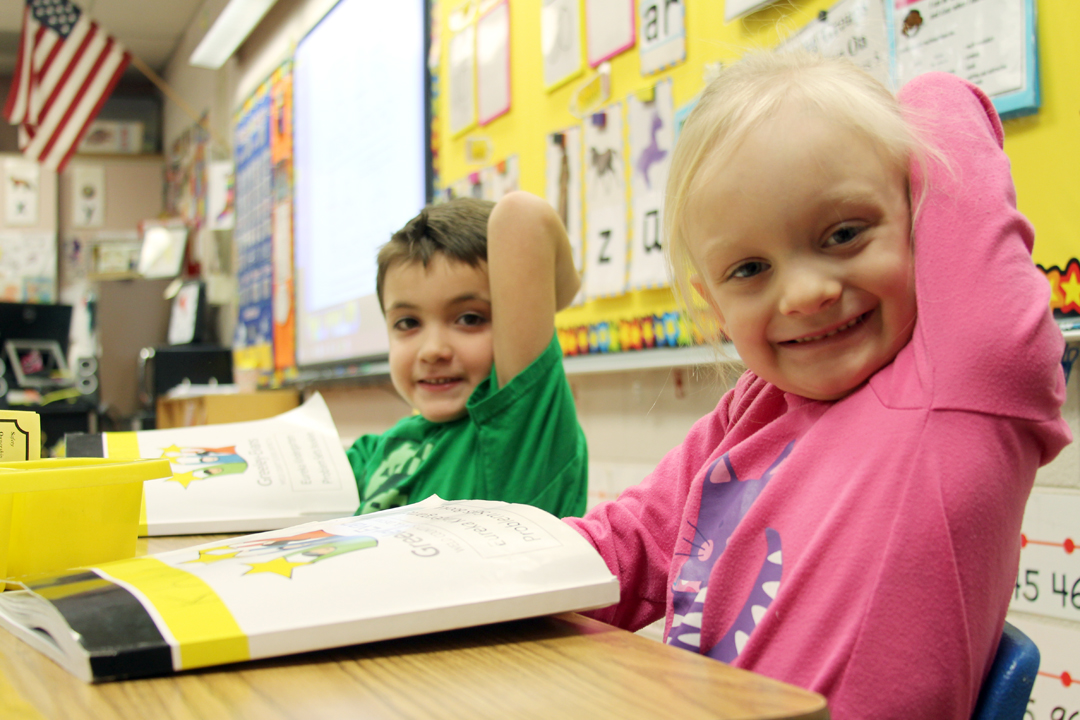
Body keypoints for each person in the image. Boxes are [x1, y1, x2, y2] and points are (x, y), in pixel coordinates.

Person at [566, 51, 1071, 719]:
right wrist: (481, 572)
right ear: (714, 305)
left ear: (921, 218)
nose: (806, 293)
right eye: (749, 269)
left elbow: (944, 104)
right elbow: (625, 548)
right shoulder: (750, 409)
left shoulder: (965, 380)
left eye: (843, 233)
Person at [347, 193, 587, 518]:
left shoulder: (518, 433)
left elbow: (523, 215)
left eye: (469, 319)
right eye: (407, 323)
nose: (432, 351)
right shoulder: (378, 449)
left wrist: (549, 298)